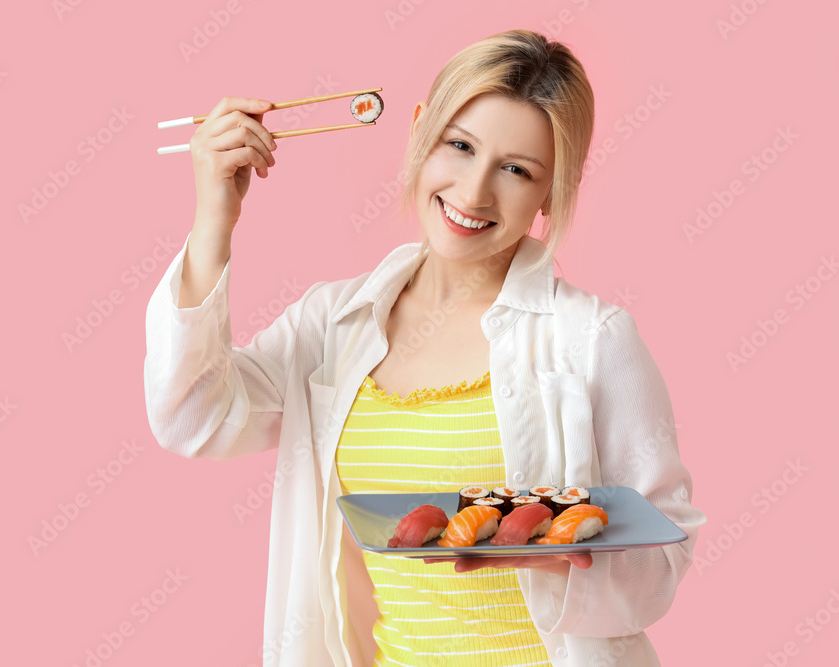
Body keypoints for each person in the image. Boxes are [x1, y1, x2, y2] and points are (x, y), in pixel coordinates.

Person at [144, 29, 706, 667]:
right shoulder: (332, 324)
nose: (472, 193)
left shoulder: (590, 339)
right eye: (459, 146)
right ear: (418, 132)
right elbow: (191, 418)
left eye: (517, 170)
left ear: (550, 191)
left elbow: (666, 552)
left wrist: (567, 560)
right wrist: (214, 220)